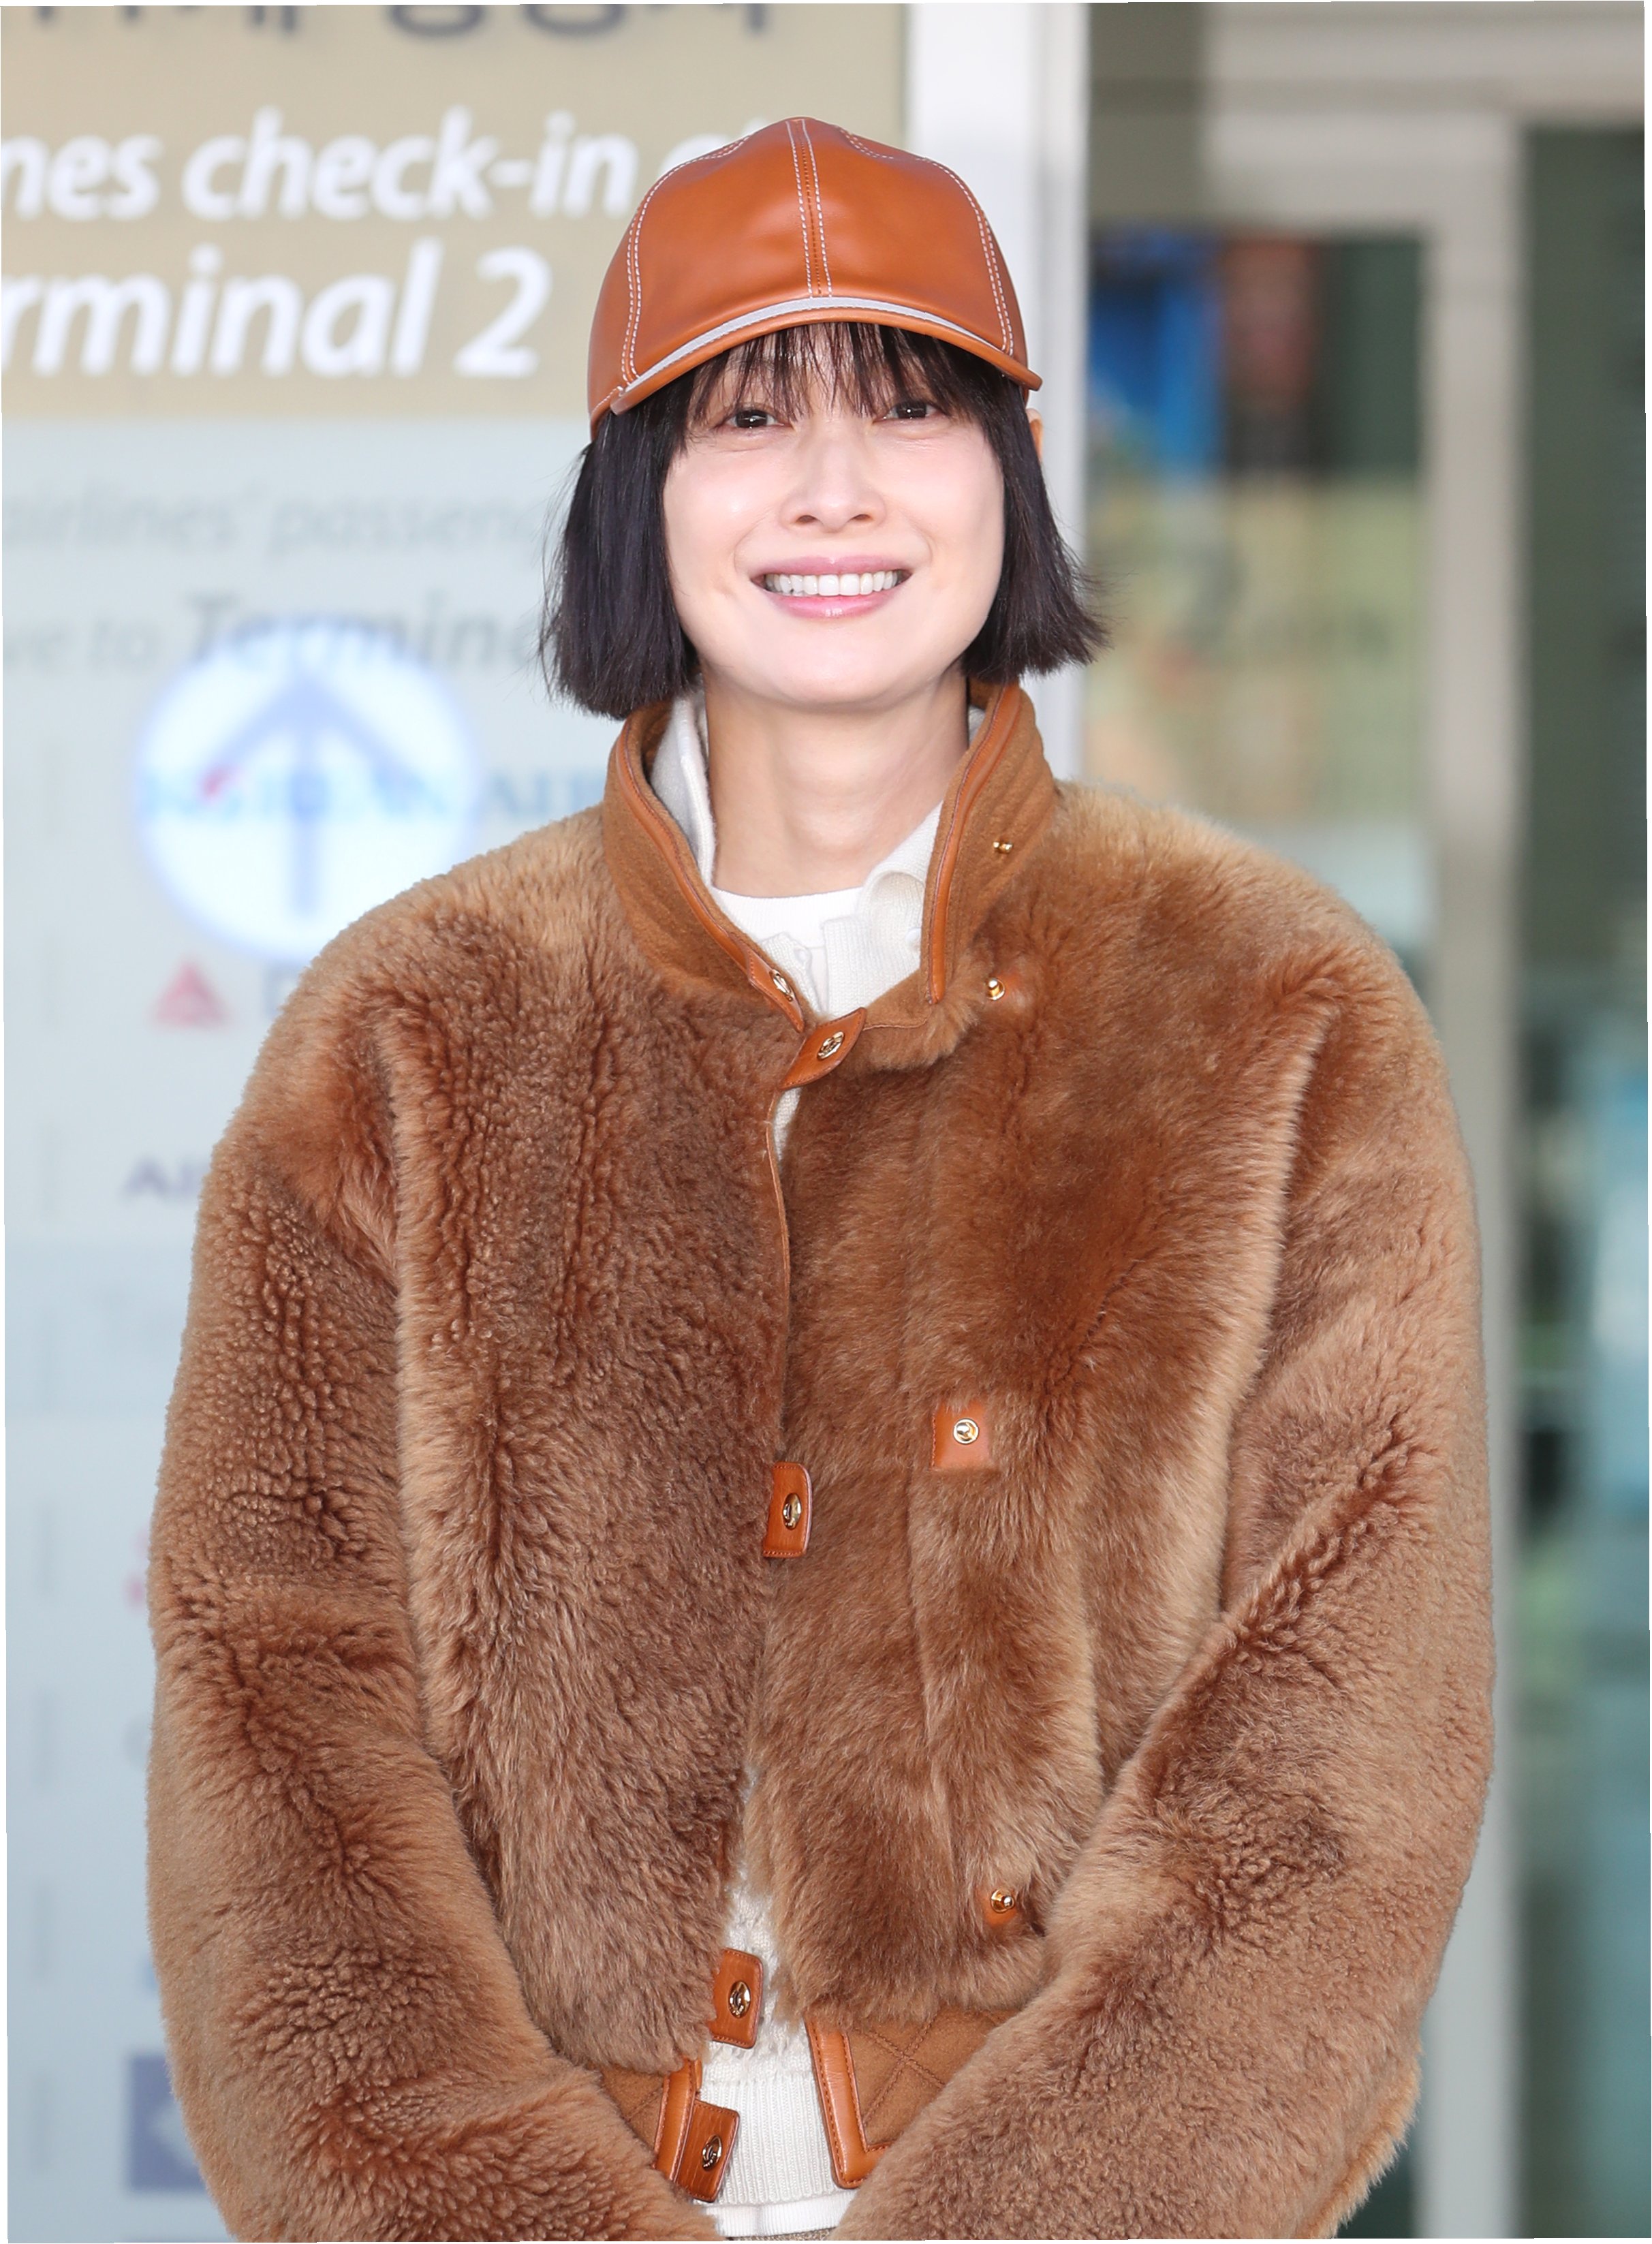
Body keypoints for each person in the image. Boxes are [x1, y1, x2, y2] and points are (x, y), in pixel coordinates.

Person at [146, 119, 1493, 2242]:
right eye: (747, 418)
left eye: (909, 406)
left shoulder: (1270, 1005)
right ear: (635, 498)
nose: (835, 489)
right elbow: (273, 1713)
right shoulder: (411, 1027)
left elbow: (1335, 1769)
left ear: (1008, 474)